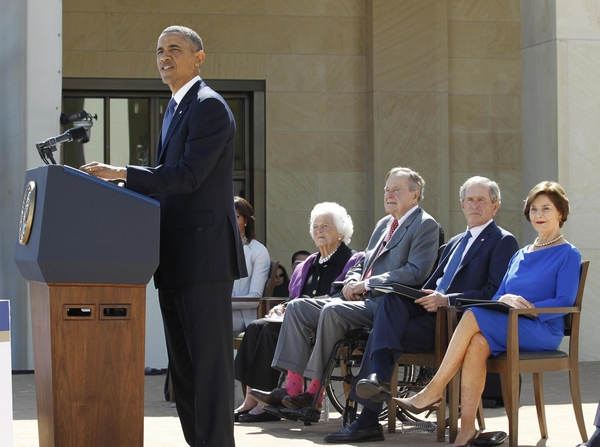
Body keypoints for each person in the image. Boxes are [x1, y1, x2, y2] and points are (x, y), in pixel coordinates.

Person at [80, 25, 246, 447]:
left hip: (204, 258)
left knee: (207, 367)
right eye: (159, 50)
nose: (164, 56)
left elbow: (188, 177)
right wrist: (120, 190)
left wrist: (122, 173)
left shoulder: (208, 106)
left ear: (199, 57)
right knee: (185, 367)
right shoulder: (175, 107)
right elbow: (168, 185)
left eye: (175, 48)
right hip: (174, 257)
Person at [324, 176, 519, 443]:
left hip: (456, 324)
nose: (474, 205)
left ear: (495, 206)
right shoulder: (454, 243)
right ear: (461, 205)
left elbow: (493, 292)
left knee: (383, 333)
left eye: (481, 200)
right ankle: (374, 387)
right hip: (427, 316)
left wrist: (447, 299)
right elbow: (429, 285)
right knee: (391, 304)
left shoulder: (502, 241)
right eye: (469, 200)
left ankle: (368, 415)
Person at [394, 181, 581, 447]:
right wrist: (505, 299)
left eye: (546, 209)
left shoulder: (568, 253)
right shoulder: (520, 255)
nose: (539, 215)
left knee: (472, 315)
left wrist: (528, 309)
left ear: (560, 213)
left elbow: (565, 300)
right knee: (477, 344)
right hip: (510, 325)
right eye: (534, 209)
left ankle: (434, 389)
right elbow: (496, 298)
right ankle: (466, 430)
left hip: (542, 329)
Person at [249, 167, 440, 420]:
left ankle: (313, 395)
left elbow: (416, 271)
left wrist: (368, 285)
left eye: (397, 189)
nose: (389, 194)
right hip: (358, 298)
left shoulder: (425, 225)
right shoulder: (384, 224)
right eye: (386, 190)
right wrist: (351, 280)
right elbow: (363, 263)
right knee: (297, 307)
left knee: (332, 309)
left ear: (415, 195)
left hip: (388, 305)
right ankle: (291, 389)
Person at [234, 202, 362, 422]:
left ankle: (272, 404)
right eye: (316, 226)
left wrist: (296, 306)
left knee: (270, 333)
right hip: (299, 319)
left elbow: (342, 298)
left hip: (328, 321)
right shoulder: (309, 263)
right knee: (256, 327)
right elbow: (295, 298)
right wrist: (282, 306)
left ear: (341, 232)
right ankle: (251, 398)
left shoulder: (352, 260)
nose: (319, 230)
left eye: (326, 226)